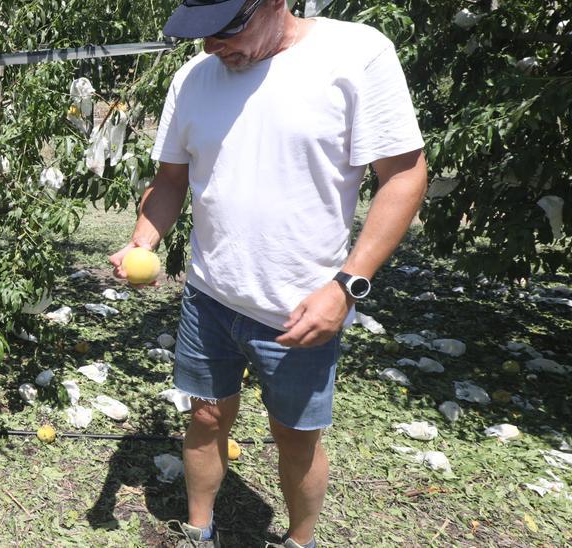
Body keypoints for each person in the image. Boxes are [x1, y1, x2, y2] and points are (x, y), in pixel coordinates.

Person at [108, 0, 428, 546]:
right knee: (206, 418)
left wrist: (346, 288)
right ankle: (199, 530)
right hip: (208, 298)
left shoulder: (356, 54)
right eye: (199, 33)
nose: (211, 46)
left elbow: (404, 176)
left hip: (304, 306)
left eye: (225, 29)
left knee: (295, 436)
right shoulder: (192, 79)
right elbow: (169, 180)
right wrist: (143, 239)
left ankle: (299, 542)